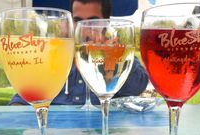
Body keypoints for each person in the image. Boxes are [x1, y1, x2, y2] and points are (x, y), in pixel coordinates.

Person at [9, 0, 149, 105]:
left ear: (106, 23)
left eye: (93, 21)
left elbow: (138, 86)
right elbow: (24, 96)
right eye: (77, 21)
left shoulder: (115, 51)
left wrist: (110, 55)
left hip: (101, 129)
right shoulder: (53, 54)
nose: (84, 28)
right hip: (57, 134)